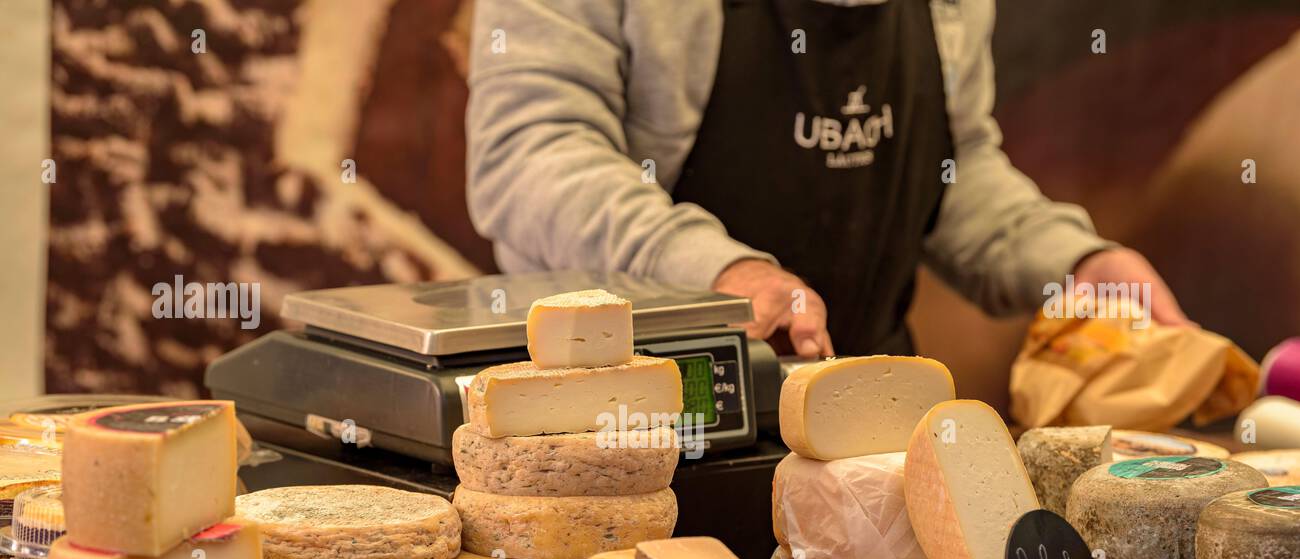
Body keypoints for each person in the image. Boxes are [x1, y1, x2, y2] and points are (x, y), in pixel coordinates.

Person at [466, 0, 1189, 359]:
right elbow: (529, 152)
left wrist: (1070, 262)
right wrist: (720, 271)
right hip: (634, 428)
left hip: (867, 433)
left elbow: (952, 163)